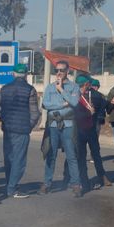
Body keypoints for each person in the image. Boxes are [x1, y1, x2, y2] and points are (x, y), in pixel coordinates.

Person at [0, 63, 39, 198]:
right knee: (19, 160)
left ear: (13, 74)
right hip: (22, 130)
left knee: (9, 158)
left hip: (7, 129)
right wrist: (28, 126)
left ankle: (9, 185)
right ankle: (12, 189)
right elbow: (35, 113)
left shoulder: (4, 89)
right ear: (26, 75)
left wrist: (4, 118)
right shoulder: (30, 90)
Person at [42, 60, 81, 195]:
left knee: (71, 155)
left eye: (61, 70)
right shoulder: (49, 87)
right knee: (50, 154)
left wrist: (61, 90)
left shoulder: (74, 87)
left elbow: (75, 103)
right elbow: (45, 104)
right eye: (56, 70)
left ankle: (76, 184)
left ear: (67, 71)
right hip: (53, 124)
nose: (58, 73)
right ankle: (47, 183)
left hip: (68, 125)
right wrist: (63, 105)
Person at [73, 74, 108, 196]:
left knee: (94, 155)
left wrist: (97, 112)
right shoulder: (75, 97)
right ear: (86, 84)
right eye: (87, 84)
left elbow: (105, 105)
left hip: (89, 129)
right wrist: (91, 113)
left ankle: (101, 177)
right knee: (82, 157)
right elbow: (75, 114)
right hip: (81, 130)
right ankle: (86, 181)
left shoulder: (92, 95)